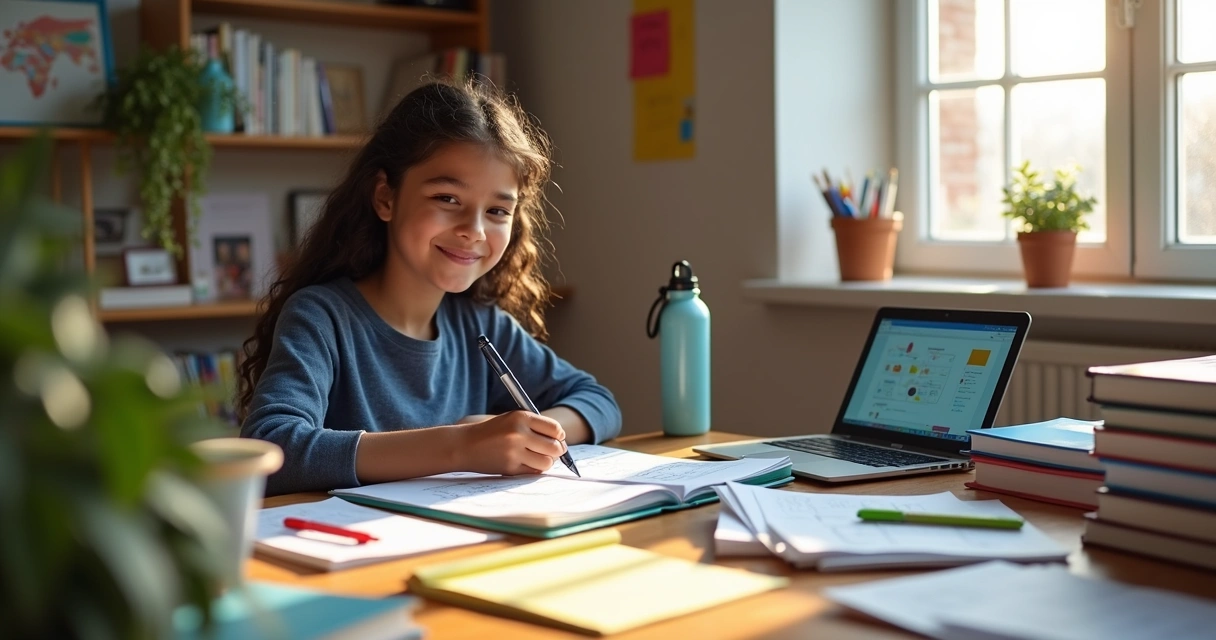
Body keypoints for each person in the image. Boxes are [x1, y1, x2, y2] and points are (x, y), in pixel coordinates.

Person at [237, 81, 621, 496]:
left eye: (497, 210)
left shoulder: (481, 324)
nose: (473, 231)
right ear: (386, 197)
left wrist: (528, 435)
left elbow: (598, 401)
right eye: (447, 198)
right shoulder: (321, 316)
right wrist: (460, 447)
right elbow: (270, 449)